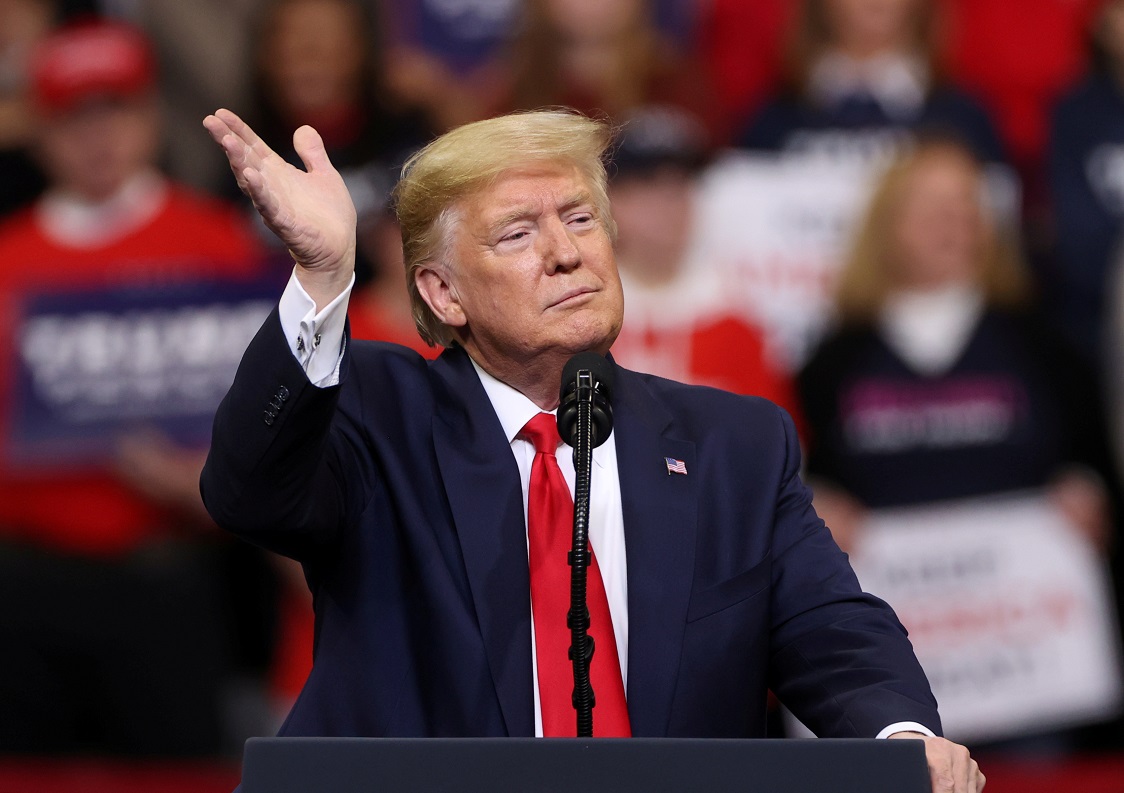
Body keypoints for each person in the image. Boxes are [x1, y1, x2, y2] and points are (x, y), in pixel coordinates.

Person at [201, 106, 985, 792]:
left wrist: (901, 742)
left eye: (580, 220)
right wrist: (324, 273)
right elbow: (247, 490)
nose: (566, 252)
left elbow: (834, 631)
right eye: (517, 233)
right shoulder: (380, 411)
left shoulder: (733, 446)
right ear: (443, 293)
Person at [0, 19, 277, 755]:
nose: (97, 137)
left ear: (149, 114)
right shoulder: (9, 259)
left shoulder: (220, 248)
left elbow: (285, 420)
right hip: (24, 582)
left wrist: (216, 479)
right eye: (73, 116)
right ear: (40, 128)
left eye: (114, 109)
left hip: (170, 577)